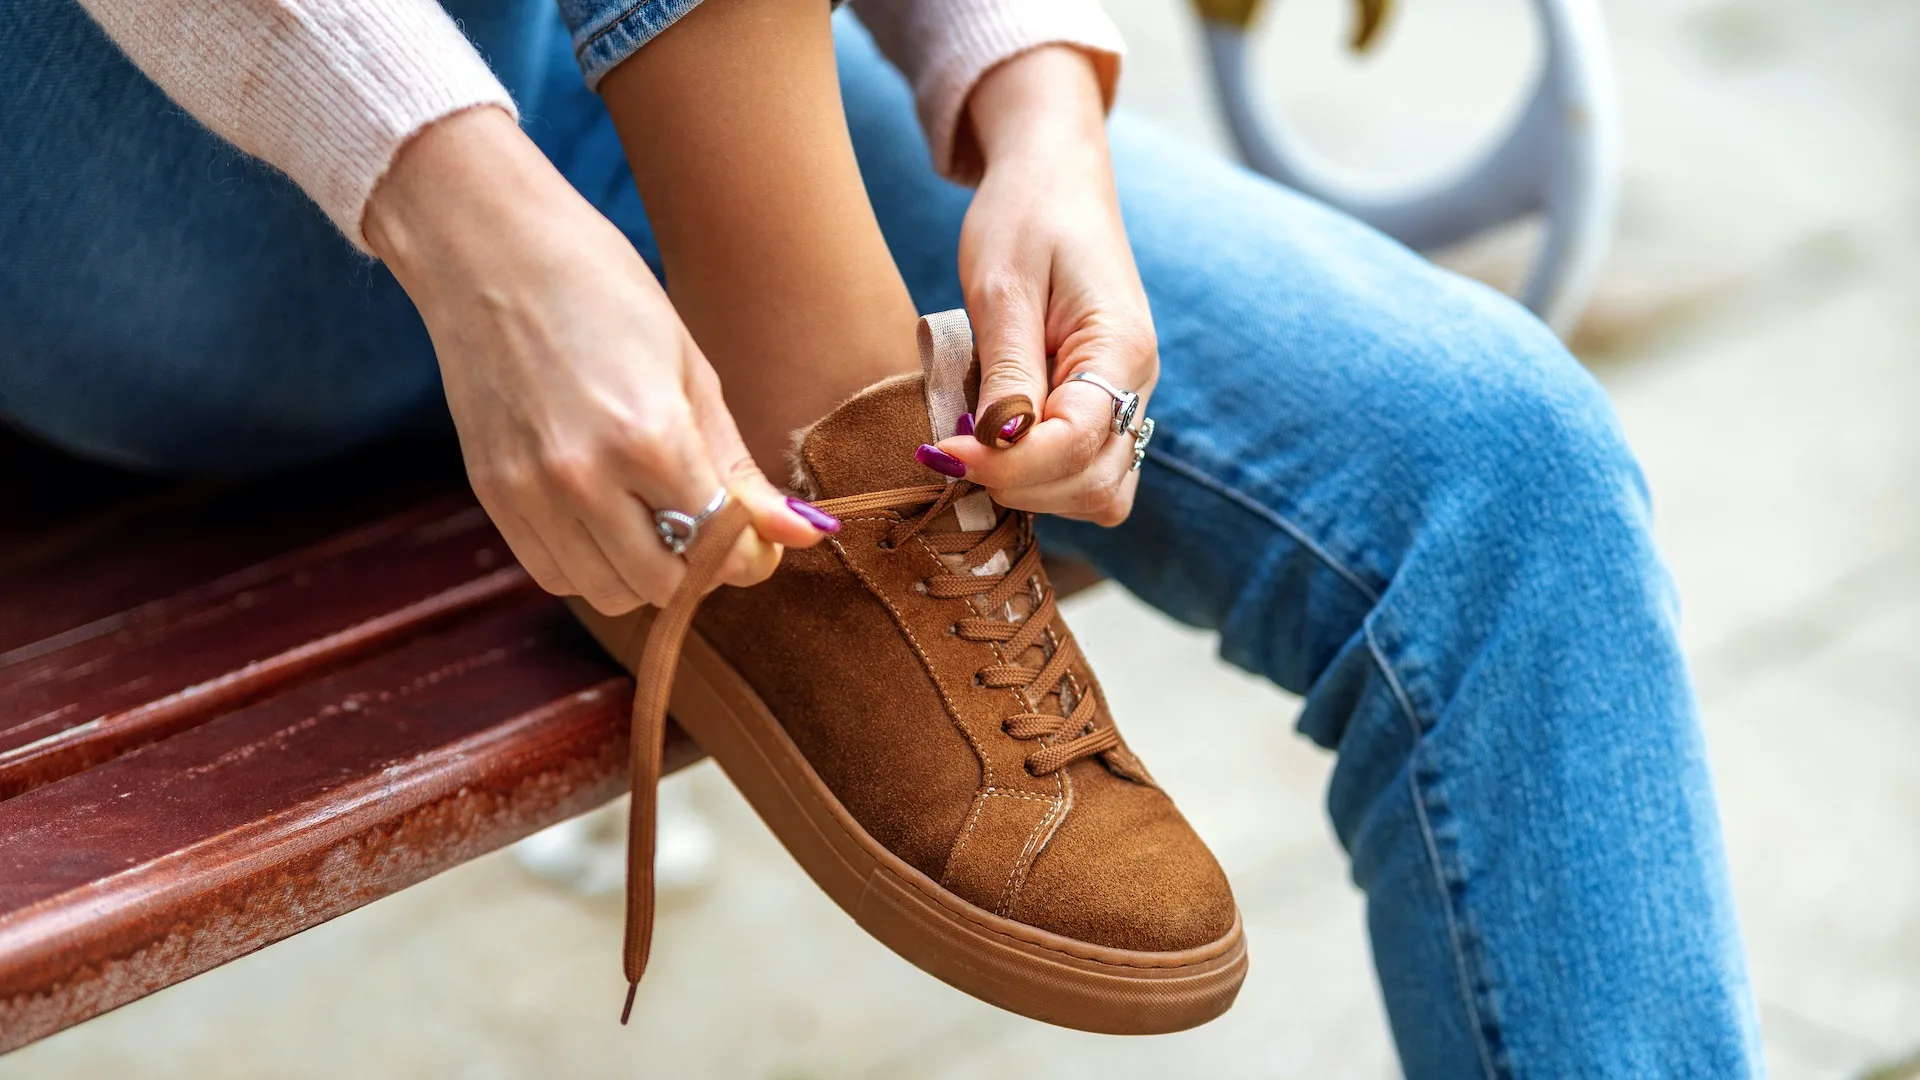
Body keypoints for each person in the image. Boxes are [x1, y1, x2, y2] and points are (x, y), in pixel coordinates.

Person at [0, 0, 1762, 1073]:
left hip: (624, 82)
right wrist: (465, 215)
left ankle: (805, 336)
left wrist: (1037, 109)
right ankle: (815, 387)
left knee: (1498, 470)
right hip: (169, 183)